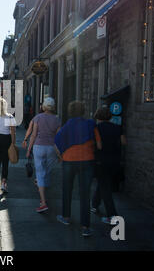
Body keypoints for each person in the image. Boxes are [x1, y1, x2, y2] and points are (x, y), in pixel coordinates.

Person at [54, 101, 102, 237]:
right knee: (85, 194)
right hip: (87, 161)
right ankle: (85, 226)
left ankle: (66, 217)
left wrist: (62, 156)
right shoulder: (91, 125)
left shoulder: (66, 127)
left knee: (67, 189)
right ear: (83, 111)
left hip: (69, 161)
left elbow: (57, 143)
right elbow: (99, 145)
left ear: (70, 112)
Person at [91, 106, 127, 224]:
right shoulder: (117, 128)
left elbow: (94, 144)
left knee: (105, 187)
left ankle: (112, 216)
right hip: (115, 160)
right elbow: (123, 142)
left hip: (101, 160)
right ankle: (95, 204)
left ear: (98, 116)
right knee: (103, 183)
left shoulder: (96, 128)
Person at [26, 97, 61, 213]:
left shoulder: (38, 118)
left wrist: (28, 149)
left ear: (44, 106)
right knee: (46, 171)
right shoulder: (57, 120)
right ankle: (42, 186)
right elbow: (58, 137)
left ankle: (43, 202)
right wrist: (59, 152)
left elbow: (33, 135)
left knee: (40, 173)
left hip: (38, 147)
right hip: (51, 147)